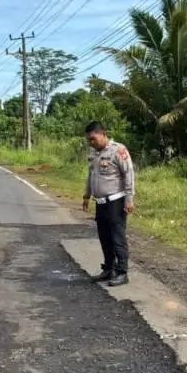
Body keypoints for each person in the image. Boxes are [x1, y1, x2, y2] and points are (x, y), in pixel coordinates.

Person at [82, 121, 135, 287]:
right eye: (89, 140)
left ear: (104, 134)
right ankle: (109, 269)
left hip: (116, 202)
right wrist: (87, 194)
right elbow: (91, 175)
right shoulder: (95, 154)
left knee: (117, 237)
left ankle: (122, 272)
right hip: (101, 202)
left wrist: (129, 199)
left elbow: (129, 175)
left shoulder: (118, 150)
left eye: (93, 139)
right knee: (104, 237)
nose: (91, 143)